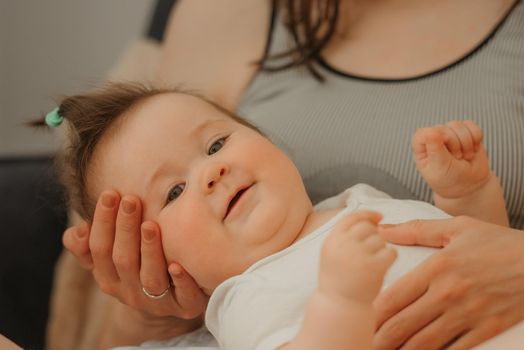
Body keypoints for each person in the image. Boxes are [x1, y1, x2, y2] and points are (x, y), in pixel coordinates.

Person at [62, 0, 524, 348]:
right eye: (175, 190)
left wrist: (467, 194)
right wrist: (340, 301)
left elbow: (478, 249)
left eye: (217, 143)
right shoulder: (250, 298)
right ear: (157, 257)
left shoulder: (356, 203)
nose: (212, 171)